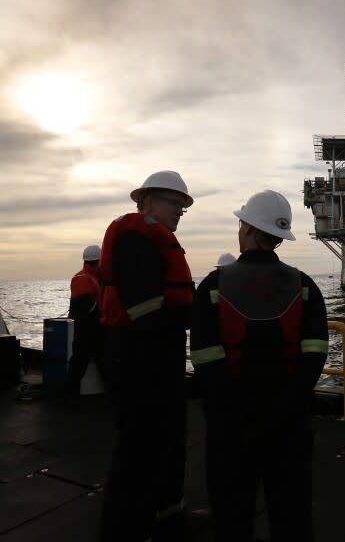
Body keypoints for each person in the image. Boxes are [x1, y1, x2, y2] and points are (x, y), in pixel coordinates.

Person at [190, 190, 328, 541]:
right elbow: (314, 355)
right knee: (292, 517)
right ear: (279, 236)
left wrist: (237, 411)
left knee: (233, 517)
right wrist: (286, 407)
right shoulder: (306, 287)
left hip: (231, 428)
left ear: (249, 228)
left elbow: (205, 357)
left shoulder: (212, 287)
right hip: (290, 426)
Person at [98, 170, 194, 541]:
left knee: (168, 444)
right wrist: (197, 315)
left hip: (159, 358)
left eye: (182, 206)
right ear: (146, 202)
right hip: (139, 361)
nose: (179, 211)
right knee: (137, 453)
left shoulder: (152, 240)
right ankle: (123, 530)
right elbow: (145, 312)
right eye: (174, 203)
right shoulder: (136, 241)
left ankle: (169, 517)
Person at [66, 244, 104, 395]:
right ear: (99, 261)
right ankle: (71, 395)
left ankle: (71, 395)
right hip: (88, 328)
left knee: (100, 361)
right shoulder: (83, 278)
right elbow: (84, 305)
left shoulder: (91, 277)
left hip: (93, 327)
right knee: (80, 363)